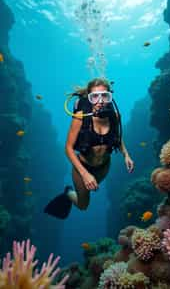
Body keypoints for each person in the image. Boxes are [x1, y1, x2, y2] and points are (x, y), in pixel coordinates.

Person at [44, 78, 134, 219]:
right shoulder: (80, 117)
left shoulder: (115, 116)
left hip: (104, 167)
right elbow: (68, 148)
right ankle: (68, 192)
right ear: (89, 98)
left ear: (110, 97)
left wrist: (126, 155)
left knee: (91, 188)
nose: (100, 101)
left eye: (105, 96)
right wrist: (85, 175)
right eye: (94, 97)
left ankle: (85, 185)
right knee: (83, 205)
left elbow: (117, 136)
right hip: (82, 168)